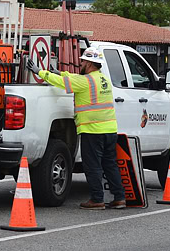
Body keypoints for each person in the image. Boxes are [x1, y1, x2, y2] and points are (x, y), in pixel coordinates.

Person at [27, 47, 126, 210]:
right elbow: (73, 78)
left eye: (82, 61)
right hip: (110, 130)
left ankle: (97, 199)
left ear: (88, 63)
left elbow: (64, 83)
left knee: (92, 165)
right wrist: (60, 72)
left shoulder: (85, 81)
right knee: (110, 165)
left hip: (92, 131)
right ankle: (119, 197)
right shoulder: (103, 79)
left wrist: (41, 72)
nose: (81, 63)